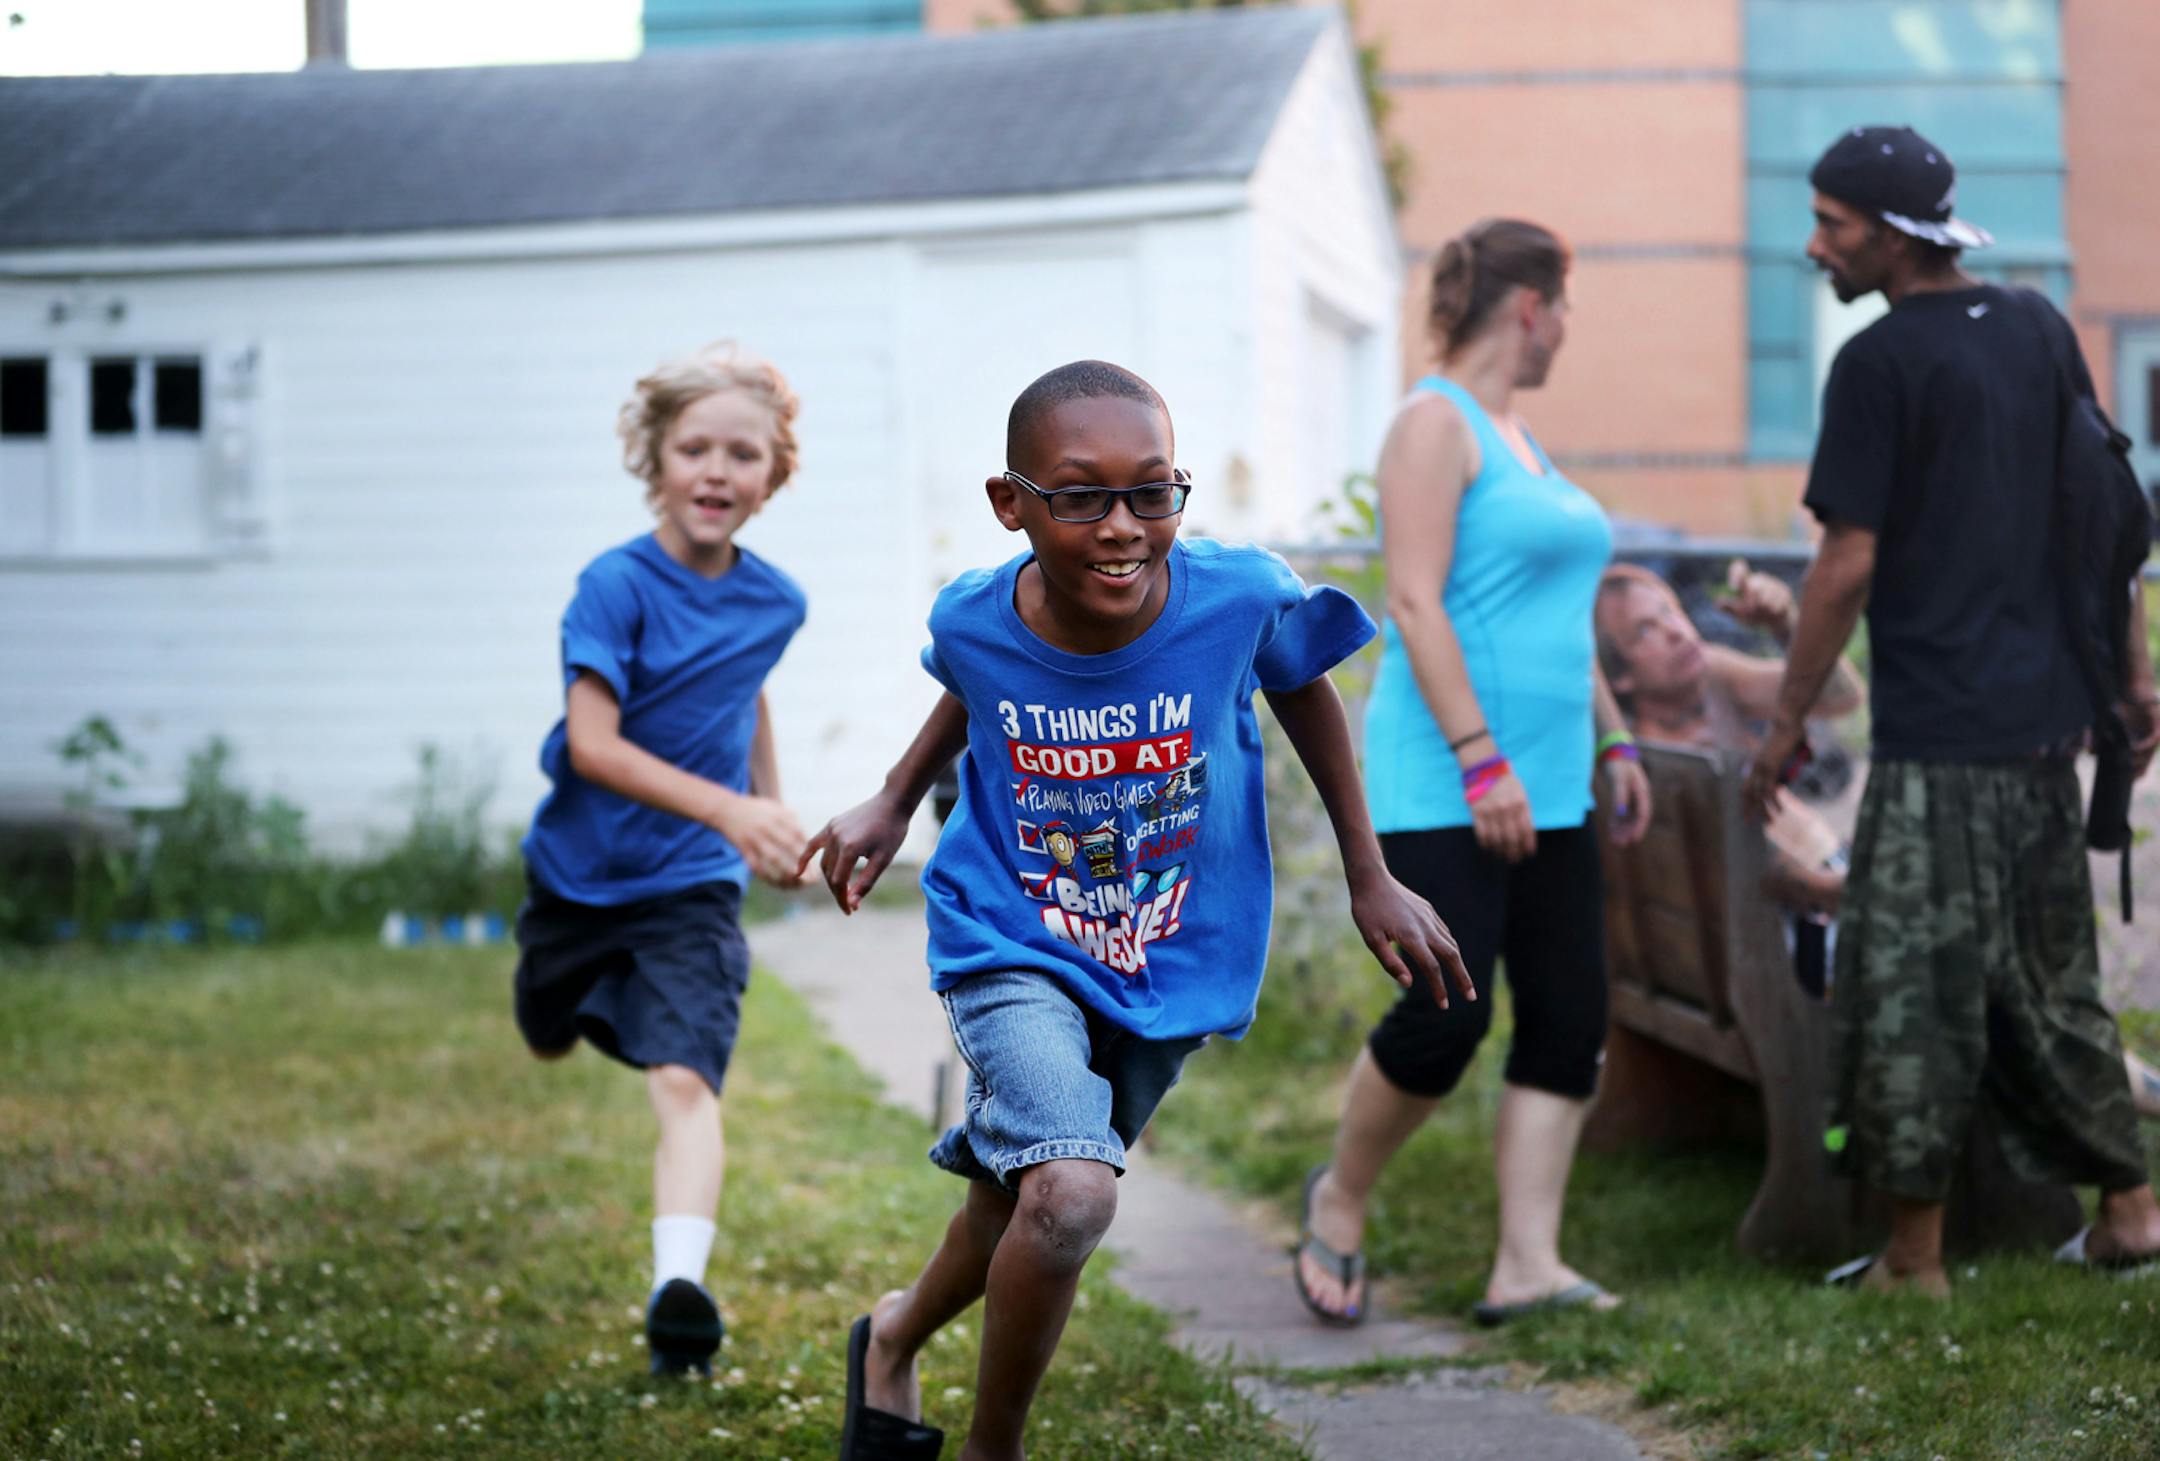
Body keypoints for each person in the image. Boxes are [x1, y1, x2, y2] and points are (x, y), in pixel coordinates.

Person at [803, 360, 1471, 1461]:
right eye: (1080, 497)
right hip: (1008, 932)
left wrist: (1369, 869)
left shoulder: (1238, 597)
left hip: (1166, 956)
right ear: (1010, 504)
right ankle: (994, 1447)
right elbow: (977, 679)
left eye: (1151, 492)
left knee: (1019, 1196)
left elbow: (1301, 679)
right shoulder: (971, 614)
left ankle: (890, 1338)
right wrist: (891, 793)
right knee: (1068, 1193)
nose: (1122, 526)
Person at [1741, 125, 2160, 1297]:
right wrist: (2127, 680)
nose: (1814, 246)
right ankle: (2131, 1214)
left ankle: (1915, 1261)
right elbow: (2108, 521)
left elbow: (1843, 564)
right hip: (2045, 733)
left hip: (1939, 744)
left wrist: (1784, 725)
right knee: (2049, 979)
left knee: (1911, 989)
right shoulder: (2036, 328)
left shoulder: (1876, 367)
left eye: (1831, 224)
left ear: (1890, 232)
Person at [1297, 219, 1650, 1331]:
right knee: (1446, 1016)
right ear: (1532, 306)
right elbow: (1413, 599)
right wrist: (1480, 757)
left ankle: (1528, 1265)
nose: (1567, 332)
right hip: (1449, 777)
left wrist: (1615, 738)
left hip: (1552, 780)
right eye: (1568, 309)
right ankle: (1341, 1202)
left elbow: (1560, 623)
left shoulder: (1520, 437)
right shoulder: (1432, 424)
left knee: (1568, 1012)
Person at [510, 344, 811, 1375]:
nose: (718, 471)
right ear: (656, 459)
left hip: (691, 886)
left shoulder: (777, 603)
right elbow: (592, 745)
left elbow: (748, 687)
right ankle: (564, 1004)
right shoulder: (614, 587)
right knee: (550, 1032)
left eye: (744, 453)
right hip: (578, 878)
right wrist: (735, 806)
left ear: (773, 475)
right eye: (696, 448)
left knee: (685, 1079)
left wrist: (771, 810)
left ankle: (677, 1288)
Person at [1606, 559, 2160, 1112]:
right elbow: (1751, 889)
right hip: (1795, 935)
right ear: (1620, 679)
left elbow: (1843, 696)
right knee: (1987, 975)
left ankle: (2117, 1099)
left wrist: (1784, 625)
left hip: (1816, 903)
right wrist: (1854, 892)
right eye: (1646, 632)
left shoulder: (1710, 682)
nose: (1679, 630)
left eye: (1673, 612)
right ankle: (2124, 1111)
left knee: (1997, 960)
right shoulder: (1647, 771)